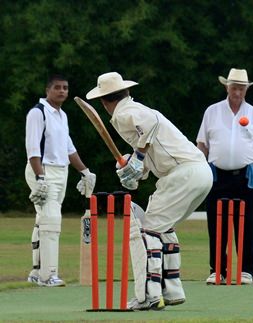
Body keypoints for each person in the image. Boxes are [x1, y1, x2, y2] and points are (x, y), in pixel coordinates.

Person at [85, 72, 213, 311]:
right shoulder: (134, 111)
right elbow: (149, 148)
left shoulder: (124, 113)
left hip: (182, 174)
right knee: (162, 229)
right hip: (200, 173)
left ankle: (148, 295)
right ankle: (171, 290)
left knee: (147, 231)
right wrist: (133, 168)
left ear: (104, 101)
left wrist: (139, 157)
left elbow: (149, 126)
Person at [196, 68, 253, 285]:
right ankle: (217, 270)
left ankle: (247, 270)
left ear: (246, 89)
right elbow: (202, 145)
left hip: (246, 176)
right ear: (227, 87)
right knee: (215, 223)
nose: (237, 92)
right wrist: (199, 175)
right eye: (234, 87)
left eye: (241, 88)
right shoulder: (212, 111)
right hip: (216, 176)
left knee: (247, 224)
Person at [25, 74, 96, 287]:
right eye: (58, 87)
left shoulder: (62, 115)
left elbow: (69, 149)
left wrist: (85, 171)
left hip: (61, 171)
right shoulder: (38, 113)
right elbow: (33, 148)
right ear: (48, 90)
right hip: (43, 170)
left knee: (43, 220)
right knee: (52, 221)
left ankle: (37, 272)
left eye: (65, 87)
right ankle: (49, 275)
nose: (62, 91)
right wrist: (40, 177)